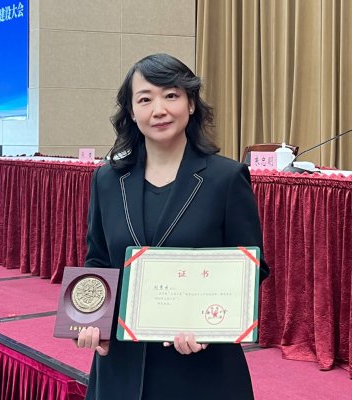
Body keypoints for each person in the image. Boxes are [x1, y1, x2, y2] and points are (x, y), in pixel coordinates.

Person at [76, 53, 269, 400]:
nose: (159, 110)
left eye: (171, 95)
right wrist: (92, 321)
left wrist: (210, 327)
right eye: (145, 99)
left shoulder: (226, 178)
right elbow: (98, 261)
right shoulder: (108, 180)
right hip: (122, 368)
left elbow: (250, 268)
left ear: (191, 103)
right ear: (131, 111)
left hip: (201, 368)